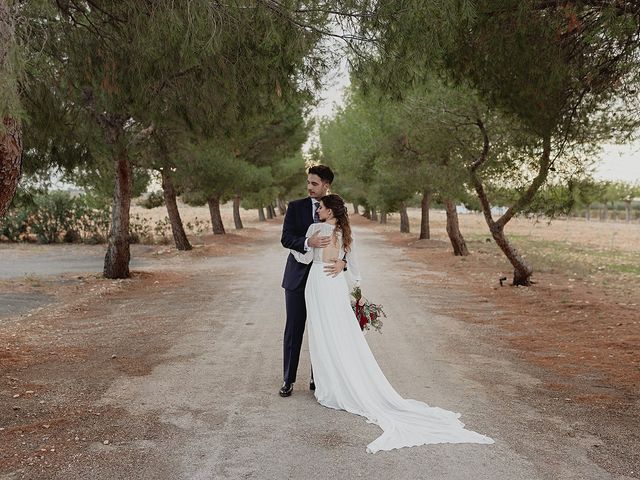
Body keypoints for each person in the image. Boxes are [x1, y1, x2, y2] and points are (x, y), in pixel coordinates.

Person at [290, 193, 495, 453]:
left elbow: (350, 264)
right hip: (316, 284)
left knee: (339, 333)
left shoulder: (343, 233)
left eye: (321, 206)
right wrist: (308, 243)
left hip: (330, 285)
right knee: (321, 334)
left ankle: (338, 386)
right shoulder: (314, 229)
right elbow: (304, 257)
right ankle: (328, 383)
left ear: (330, 211)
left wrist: (344, 269)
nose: (317, 209)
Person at [279, 165, 346, 397]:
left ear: (326, 185)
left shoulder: (335, 208)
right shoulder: (295, 207)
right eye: (308, 182)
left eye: (314, 183)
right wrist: (308, 243)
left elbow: (344, 243)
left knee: (322, 330)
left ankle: (317, 378)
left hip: (324, 281)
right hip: (297, 279)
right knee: (294, 330)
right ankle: (288, 379)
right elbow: (286, 238)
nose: (309, 187)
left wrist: (343, 264)